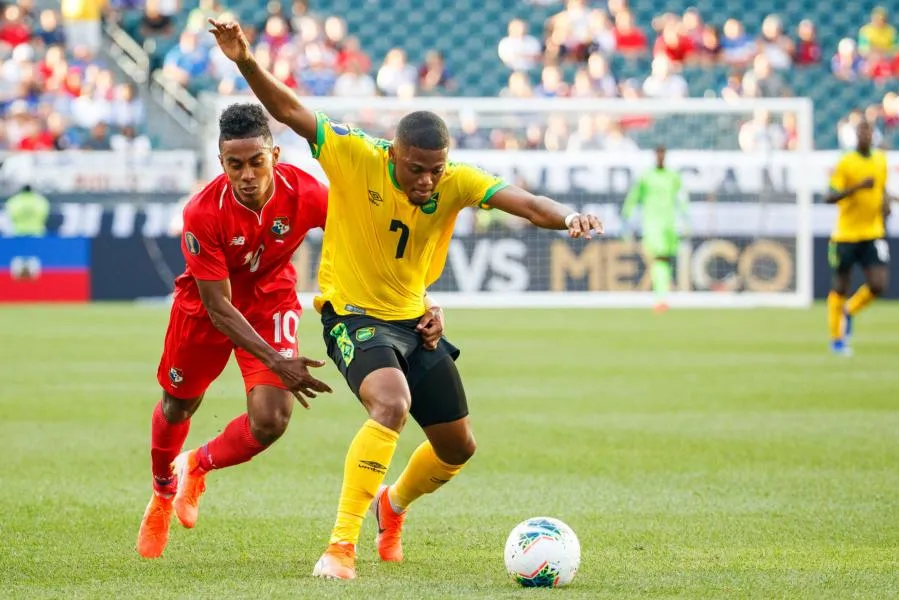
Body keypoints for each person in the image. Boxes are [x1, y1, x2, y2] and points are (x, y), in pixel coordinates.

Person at [209, 17, 604, 581]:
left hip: (415, 323)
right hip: (353, 318)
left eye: (435, 171)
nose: (426, 181)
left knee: (458, 447)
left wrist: (567, 218)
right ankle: (340, 549)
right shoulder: (353, 154)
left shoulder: (456, 180)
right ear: (393, 154)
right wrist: (245, 60)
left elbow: (524, 201)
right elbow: (290, 110)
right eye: (416, 170)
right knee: (389, 405)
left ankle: (390, 506)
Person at [136, 103, 333, 559]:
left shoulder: (308, 193)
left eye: (256, 162)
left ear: (275, 155)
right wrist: (275, 358)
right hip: (207, 310)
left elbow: (356, 238)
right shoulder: (203, 212)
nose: (246, 175)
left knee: (272, 420)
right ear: (222, 163)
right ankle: (164, 489)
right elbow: (218, 305)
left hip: (270, 302)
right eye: (234, 165)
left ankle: (195, 467)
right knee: (178, 404)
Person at [825, 120, 890, 356]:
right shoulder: (846, 163)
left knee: (878, 284)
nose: (865, 135)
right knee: (840, 285)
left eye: (869, 131)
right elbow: (829, 196)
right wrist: (856, 188)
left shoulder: (881, 160)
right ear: (855, 136)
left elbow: (881, 189)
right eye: (861, 131)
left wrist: (885, 204)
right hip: (845, 235)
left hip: (872, 232)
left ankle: (849, 310)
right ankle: (836, 339)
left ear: (872, 135)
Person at [621, 145, 687, 311]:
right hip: (652, 224)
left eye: (662, 155)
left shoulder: (673, 176)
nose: (660, 158)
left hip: (670, 225)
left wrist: (686, 221)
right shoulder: (646, 177)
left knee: (664, 260)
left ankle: (661, 296)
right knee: (659, 259)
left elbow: (682, 199)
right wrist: (626, 220)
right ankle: (661, 298)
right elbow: (633, 198)